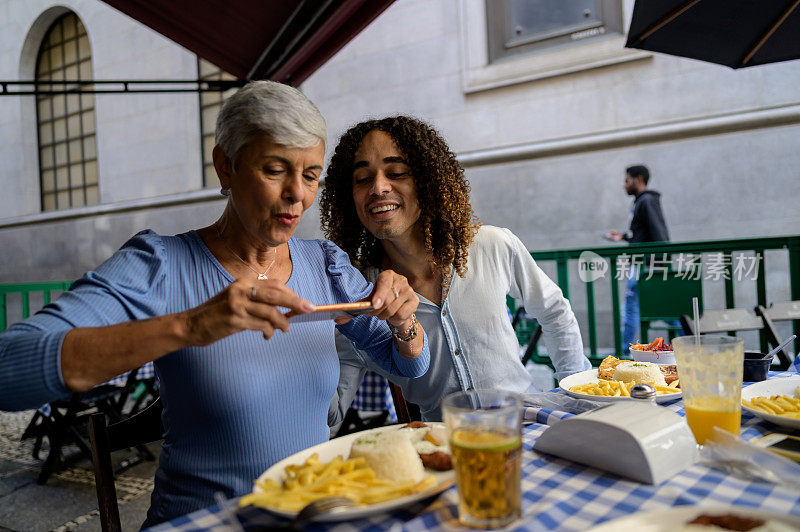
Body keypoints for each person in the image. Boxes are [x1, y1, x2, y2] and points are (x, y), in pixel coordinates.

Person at [0, 82, 429, 526]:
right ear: (225, 166)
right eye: (275, 169)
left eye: (310, 175)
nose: (296, 195)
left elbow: (411, 366)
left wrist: (404, 321)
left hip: (307, 515)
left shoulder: (325, 264)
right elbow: (8, 368)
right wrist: (190, 326)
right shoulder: (161, 265)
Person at [320, 116, 590, 423]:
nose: (378, 188)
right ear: (348, 196)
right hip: (445, 448)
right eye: (362, 179)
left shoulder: (491, 244)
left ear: (428, 181)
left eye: (396, 172)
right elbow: (329, 414)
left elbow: (554, 311)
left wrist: (575, 392)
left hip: (526, 425)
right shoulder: (360, 296)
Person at [603, 164, 670, 354]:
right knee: (664, 309)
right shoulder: (642, 201)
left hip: (645, 266)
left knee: (633, 310)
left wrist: (658, 265)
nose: (624, 185)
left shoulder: (646, 201)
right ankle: (689, 341)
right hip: (647, 265)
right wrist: (624, 237)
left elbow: (660, 234)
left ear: (638, 179)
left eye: (627, 180)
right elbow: (646, 234)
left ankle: (625, 353)